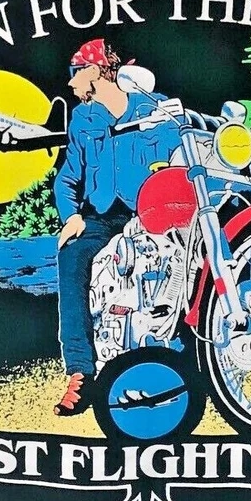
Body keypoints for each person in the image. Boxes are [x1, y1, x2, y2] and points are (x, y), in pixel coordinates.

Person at [52, 38, 179, 416]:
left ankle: (191, 356)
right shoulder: (83, 118)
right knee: (71, 256)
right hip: (101, 217)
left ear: (96, 70)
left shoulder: (155, 107)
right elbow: (67, 177)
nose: (71, 83)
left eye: (77, 73)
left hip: (152, 212)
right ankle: (81, 371)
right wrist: (71, 216)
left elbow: (181, 157)